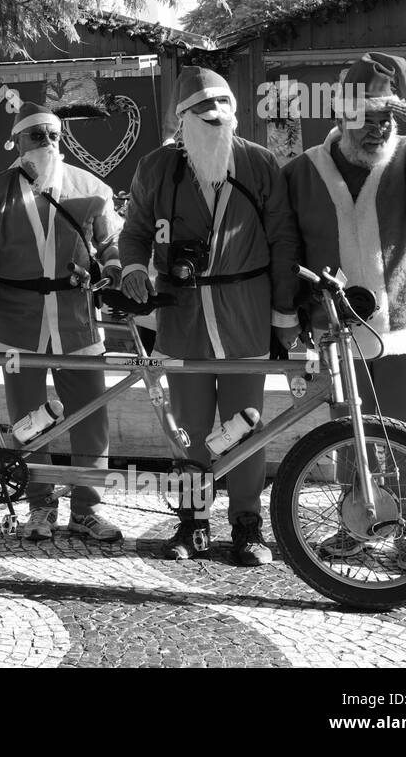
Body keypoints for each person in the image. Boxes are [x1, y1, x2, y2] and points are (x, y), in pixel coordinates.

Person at [283, 52, 406, 570]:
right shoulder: (302, 170)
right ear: (340, 116)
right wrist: (292, 317)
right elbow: (286, 248)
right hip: (338, 331)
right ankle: (359, 527)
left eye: (388, 118)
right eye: (367, 118)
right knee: (349, 434)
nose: (378, 129)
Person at [120, 67, 301, 566]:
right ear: (182, 121)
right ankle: (192, 523)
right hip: (182, 320)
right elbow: (133, 230)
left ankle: (247, 526)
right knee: (191, 429)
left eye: (223, 111)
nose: (215, 120)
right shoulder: (156, 168)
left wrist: (284, 313)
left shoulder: (260, 163)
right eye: (203, 114)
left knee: (247, 427)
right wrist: (134, 269)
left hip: (244, 316)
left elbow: (284, 240)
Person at [0, 102, 125, 542]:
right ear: (19, 143)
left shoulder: (90, 187)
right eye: (36, 135)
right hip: (16, 323)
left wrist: (115, 267)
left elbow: (114, 243)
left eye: (52, 135)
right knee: (30, 419)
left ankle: (88, 509)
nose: (46, 142)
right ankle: (40, 505)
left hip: (75, 322)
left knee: (90, 417)